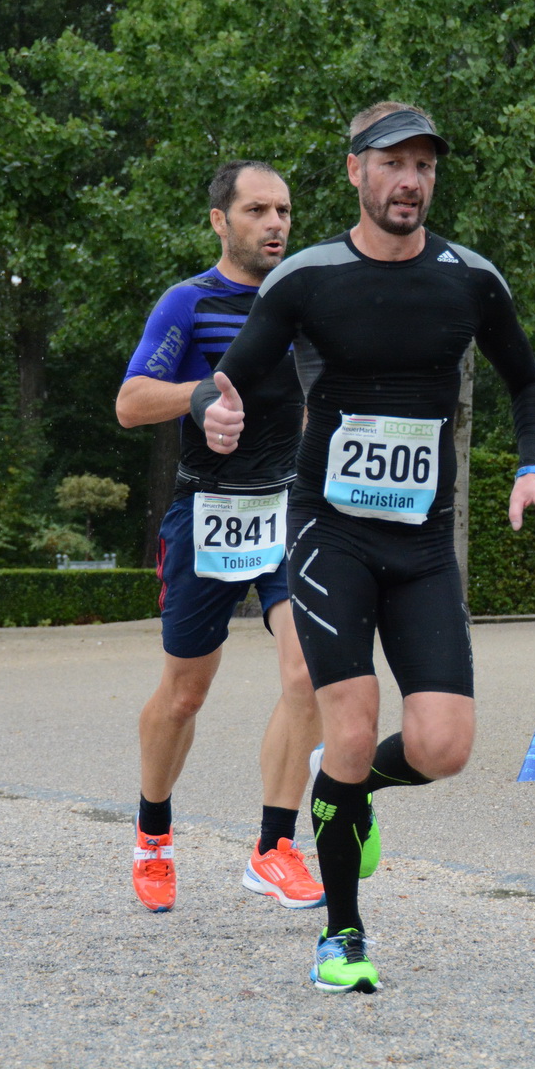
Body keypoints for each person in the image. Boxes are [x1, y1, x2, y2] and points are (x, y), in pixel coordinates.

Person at [190, 103, 535, 993]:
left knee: (444, 745)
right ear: (355, 170)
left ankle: (345, 788)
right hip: (331, 533)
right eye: (393, 163)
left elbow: (528, 384)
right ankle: (342, 936)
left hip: (423, 544)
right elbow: (228, 378)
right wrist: (216, 410)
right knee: (352, 726)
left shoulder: (470, 280)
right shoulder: (307, 278)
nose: (411, 181)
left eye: (424, 166)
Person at [115, 160, 326, 915]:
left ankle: (273, 848)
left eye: (284, 211)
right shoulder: (189, 303)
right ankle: (153, 834)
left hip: (287, 510)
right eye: (258, 210)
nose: (275, 224)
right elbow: (131, 402)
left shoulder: (305, 304)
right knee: (184, 695)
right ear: (219, 221)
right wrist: (199, 394)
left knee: (309, 673)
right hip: (205, 512)